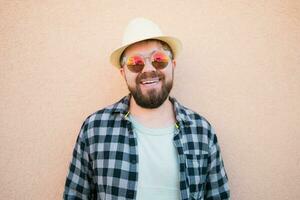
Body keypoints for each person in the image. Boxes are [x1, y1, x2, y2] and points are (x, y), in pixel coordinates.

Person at [63, 17, 230, 200]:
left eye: (159, 59)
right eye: (135, 63)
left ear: (172, 66)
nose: (148, 69)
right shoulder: (95, 129)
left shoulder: (202, 132)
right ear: (123, 73)